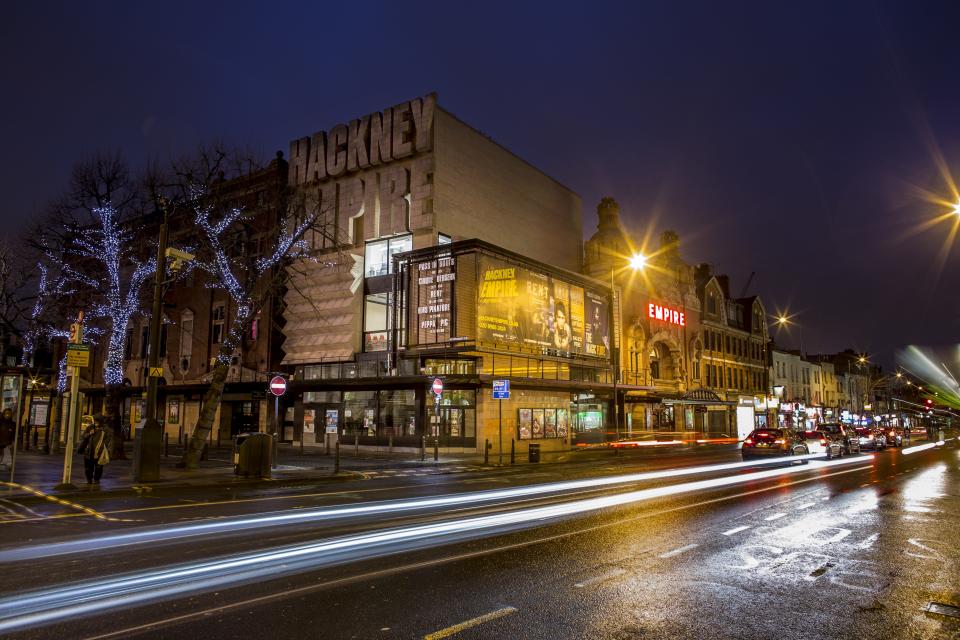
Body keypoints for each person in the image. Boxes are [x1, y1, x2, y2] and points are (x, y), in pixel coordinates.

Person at [77, 415, 111, 485]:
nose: (96, 423)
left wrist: (103, 447)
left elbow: (108, 440)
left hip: (99, 452)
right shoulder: (90, 427)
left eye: (97, 421)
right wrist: (89, 433)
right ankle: (89, 480)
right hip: (88, 451)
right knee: (88, 468)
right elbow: (83, 436)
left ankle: (96, 479)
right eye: (95, 421)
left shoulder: (105, 429)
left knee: (99, 468)